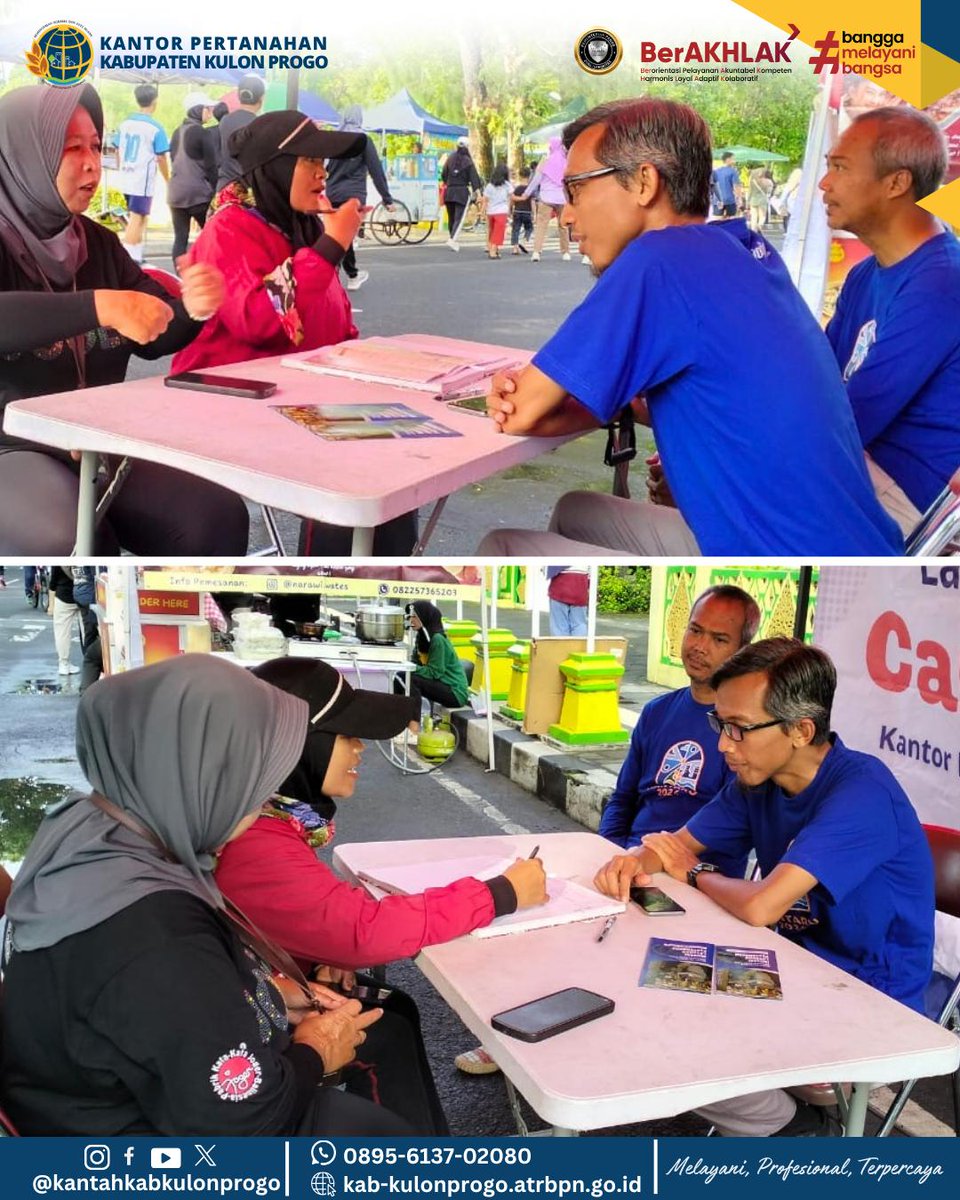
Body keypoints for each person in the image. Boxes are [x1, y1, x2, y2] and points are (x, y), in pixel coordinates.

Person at [0, 655, 410, 1137]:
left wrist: (264, 999)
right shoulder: (151, 932)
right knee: (371, 1134)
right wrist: (316, 1050)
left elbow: (158, 1006)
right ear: (204, 775)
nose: (262, 804)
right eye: (254, 780)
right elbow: (245, 1119)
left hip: (68, 1097)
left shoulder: (88, 831)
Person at [476, 97, 903, 557]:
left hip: (771, 555)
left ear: (644, 182)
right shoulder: (743, 246)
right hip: (856, 542)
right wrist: (605, 402)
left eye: (576, 189)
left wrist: (522, 395)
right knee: (577, 511)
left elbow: (523, 411)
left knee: (504, 547)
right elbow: (698, 395)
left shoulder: (658, 260)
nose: (566, 215)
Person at [594, 638, 935, 1136]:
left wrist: (694, 873)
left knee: (677, 1037)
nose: (723, 745)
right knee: (645, 993)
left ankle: (793, 1134)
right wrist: (629, 863)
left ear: (801, 730)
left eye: (739, 729)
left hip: (868, 998)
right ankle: (776, 1124)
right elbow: (676, 845)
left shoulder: (862, 793)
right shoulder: (756, 782)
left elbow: (758, 907)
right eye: (720, 724)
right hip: (790, 968)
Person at [215, 657, 547, 1130]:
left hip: (253, 985)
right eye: (348, 736)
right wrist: (499, 894)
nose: (361, 750)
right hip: (240, 1023)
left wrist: (314, 949)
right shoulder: (256, 837)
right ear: (299, 745)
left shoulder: (273, 817)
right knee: (382, 1029)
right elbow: (362, 930)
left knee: (394, 1007)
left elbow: (323, 917)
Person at [0, 84, 246, 555]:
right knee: (75, 540)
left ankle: (204, 626)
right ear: (22, 155)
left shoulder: (99, 244)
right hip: (13, 447)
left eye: (96, 145)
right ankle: (95, 628)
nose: (92, 162)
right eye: (72, 148)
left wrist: (193, 308)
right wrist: (101, 306)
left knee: (212, 515)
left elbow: (155, 333)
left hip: (96, 443)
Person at [170, 109, 418, 557]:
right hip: (229, 402)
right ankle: (329, 577)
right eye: (309, 161)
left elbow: (335, 323)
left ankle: (378, 572)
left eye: (323, 162)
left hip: (298, 393)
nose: (323, 172)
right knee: (353, 473)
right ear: (277, 169)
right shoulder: (229, 228)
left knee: (397, 451)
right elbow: (259, 319)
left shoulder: (301, 227)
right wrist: (330, 247)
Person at [821, 106, 960, 531]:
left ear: (897, 182)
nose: (825, 183)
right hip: (864, 472)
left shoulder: (941, 283)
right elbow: (817, 380)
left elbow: (841, 425)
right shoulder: (867, 274)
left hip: (909, 503)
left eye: (840, 167)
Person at [599, 585, 758, 878]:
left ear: (742, 652)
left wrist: (654, 864)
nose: (700, 646)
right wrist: (612, 854)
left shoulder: (749, 731)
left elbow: (727, 827)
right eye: (695, 630)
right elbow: (622, 799)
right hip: (632, 863)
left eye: (719, 639)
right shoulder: (655, 712)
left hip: (700, 878)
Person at [324, 106, 396, 291]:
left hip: (333, 194)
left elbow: (325, 168)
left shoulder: (333, 140)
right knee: (345, 236)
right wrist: (387, 199)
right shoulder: (363, 141)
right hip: (354, 195)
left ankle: (347, 273)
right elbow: (376, 172)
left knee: (337, 235)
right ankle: (345, 274)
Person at [109, 83, 170, 263]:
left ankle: (136, 253)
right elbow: (161, 157)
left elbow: (117, 149)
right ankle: (129, 259)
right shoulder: (155, 128)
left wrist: (123, 168)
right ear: (155, 101)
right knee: (137, 218)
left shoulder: (125, 124)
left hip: (127, 176)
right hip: (142, 179)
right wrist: (168, 179)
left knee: (139, 217)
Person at [167, 91, 218, 263]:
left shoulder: (176, 132)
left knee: (180, 238)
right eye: (207, 108)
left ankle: (181, 279)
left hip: (175, 193)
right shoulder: (203, 133)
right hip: (198, 194)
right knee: (210, 236)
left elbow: (173, 158)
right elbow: (211, 166)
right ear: (198, 110)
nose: (210, 112)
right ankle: (209, 271)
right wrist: (215, 191)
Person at [401, 600, 470, 711]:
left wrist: (409, 667)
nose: (410, 620)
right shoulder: (422, 638)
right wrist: (407, 666)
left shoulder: (438, 639)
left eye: (414, 616)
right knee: (400, 676)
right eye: (409, 616)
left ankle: (414, 719)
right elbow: (416, 663)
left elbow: (434, 673)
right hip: (441, 684)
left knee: (410, 679)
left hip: (455, 692)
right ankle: (401, 712)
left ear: (425, 617)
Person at [523, 137, 572, 262]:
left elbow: (536, 180)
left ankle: (536, 252)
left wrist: (527, 193)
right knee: (563, 225)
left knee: (541, 225)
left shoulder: (545, 161)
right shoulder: (566, 161)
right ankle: (565, 252)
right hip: (562, 197)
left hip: (545, 197)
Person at [216, 74, 266, 192]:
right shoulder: (261, 124)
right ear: (262, 97)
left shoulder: (225, 120)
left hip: (224, 188)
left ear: (239, 96)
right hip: (247, 191)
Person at [441, 137, 481, 251]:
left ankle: (451, 237)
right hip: (461, 192)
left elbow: (444, 174)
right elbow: (474, 178)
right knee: (459, 218)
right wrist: (478, 192)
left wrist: (447, 182)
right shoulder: (468, 161)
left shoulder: (449, 158)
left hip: (449, 191)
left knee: (451, 217)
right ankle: (453, 239)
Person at [48, 565, 80, 675]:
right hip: (84, 593)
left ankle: (64, 664)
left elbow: (53, 581)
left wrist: (51, 605)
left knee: (62, 633)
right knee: (88, 632)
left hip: (63, 596)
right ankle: (92, 663)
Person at [545, 565, 589, 635]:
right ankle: (579, 645)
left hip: (559, 587)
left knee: (559, 626)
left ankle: (561, 645)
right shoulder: (587, 554)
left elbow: (545, 569)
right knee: (579, 624)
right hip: (580, 586)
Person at [481, 163, 511, 259]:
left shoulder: (490, 185)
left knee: (492, 230)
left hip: (491, 211)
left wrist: (482, 211)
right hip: (501, 211)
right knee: (498, 232)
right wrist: (510, 210)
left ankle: (492, 248)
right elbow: (510, 197)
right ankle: (493, 251)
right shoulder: (507, 185)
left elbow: (485, 199)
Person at [510, 165, 533, 254]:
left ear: (519, 175)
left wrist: (510, 209)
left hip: (517, 211)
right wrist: (534, 212)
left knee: (516, 229)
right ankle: (524, 240)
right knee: (529, 228)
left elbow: (512, 200)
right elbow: (532, 202)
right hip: (527, 211)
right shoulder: (530, 189)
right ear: (529, 175)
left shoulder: (517, 188)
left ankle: (515, 248)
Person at [712, 151, 741, 217]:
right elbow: (736, 186)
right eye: (733, 159)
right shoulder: (732, 171)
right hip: (729, 199)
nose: (734, 161)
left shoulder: (715, 171)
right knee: (730, 219)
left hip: (717, 200)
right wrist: (739, 199)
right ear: (728, 159)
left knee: (718, 220)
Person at [746, 166, 773, 231]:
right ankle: (759, 227)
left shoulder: (752, 181)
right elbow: (769, 192)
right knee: (762, 217)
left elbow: (749, 191)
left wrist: (747, 201)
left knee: (754, 217)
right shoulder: (769, 181)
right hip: (762, 200)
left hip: (753, 200)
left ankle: (753, 230)